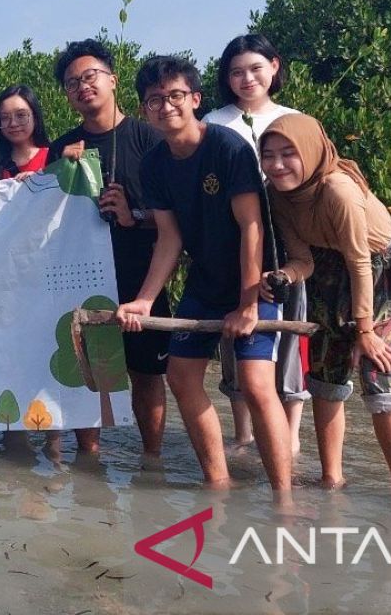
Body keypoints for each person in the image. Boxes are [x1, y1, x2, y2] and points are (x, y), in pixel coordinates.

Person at [116, 56, 292, 494]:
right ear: (144, 110)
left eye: (175, 96)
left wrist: (249, 302)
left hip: (255, 280)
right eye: (154, 100)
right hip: (205, 281)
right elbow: (170, 238)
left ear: (195, 99)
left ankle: (284, 495)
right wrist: (143, 299)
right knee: (180, 376)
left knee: (255, 385)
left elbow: (252, 226)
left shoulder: (228, 148)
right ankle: (218, 482)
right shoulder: (153, 163)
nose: (166, 106)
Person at [259, 114, 391, 492]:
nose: (277, 165)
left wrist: (365, 330)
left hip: (380, 267)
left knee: (380, 373)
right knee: (325, 372)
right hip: (328, 264)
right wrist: (281, 276)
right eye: (268, 155)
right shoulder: (275, 194)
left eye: (288, 154)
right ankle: (332, 477)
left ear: (311, 152)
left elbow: (360, 262)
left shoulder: (338, 190)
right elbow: (304, 261)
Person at [47, 40, 169, 462]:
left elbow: (177, 218)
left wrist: (133, 214)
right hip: (83, 276)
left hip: (142, 274)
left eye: (90, 76)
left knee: (147, 374)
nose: (82, 87)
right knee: (90, 370)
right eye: (71, 83)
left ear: (112, 80)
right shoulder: (63, 147)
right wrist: (59, 168)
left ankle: (151, 462)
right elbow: (42, 216)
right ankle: (90, 463)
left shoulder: (150, 139)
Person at [204, 34, 308, 454]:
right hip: (236, 245)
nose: (246, 79)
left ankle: (294, 435)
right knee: (237, 340)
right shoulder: (213, 121)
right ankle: (244, 432)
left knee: (290, 340)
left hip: (289, 243)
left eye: (255, 69)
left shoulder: (294, 119)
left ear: (274, 67)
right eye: (236, 72)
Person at [0, 84, 49, 181]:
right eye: (5, 117)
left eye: (20, 115)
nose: (13, 124)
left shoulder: (53, 158)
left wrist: (40, 182)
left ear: (35, 117)